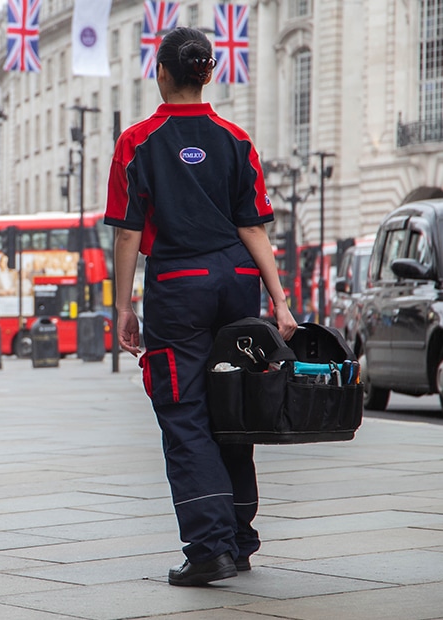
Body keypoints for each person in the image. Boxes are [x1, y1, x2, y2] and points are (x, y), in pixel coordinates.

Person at [104, 27, 297, 587]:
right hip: (238, 282)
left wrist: (123, 308)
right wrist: (280, 303)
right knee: (231, 404)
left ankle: (208, 546)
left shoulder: (137, 141)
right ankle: (238, 538)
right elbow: (253, 226)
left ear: (161, 72)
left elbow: (127, 235)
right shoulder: (236, 139)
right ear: (208, 73)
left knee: (184, 410)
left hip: (179, 284)